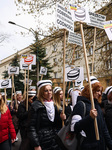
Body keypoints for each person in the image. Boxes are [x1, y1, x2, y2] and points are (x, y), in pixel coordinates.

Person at [70, 76, 112, 150]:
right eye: (97, 91)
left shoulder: (97, 106)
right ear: (90, 90)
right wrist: (89, 117)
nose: (100, 94)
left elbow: (104, 129)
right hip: (87, 146)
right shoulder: (80, 105)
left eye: (100, 91)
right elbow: (74, 128)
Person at [27, 80, 66, 150]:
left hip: (54, 140)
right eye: (46, 91)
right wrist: (36, 145)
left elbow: (56, 124)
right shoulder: (36, 106)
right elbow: (31, 127)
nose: (49, 92)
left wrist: (61, 118)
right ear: (41, 93)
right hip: (42, 141)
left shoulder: (55, 105)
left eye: (50, 90)